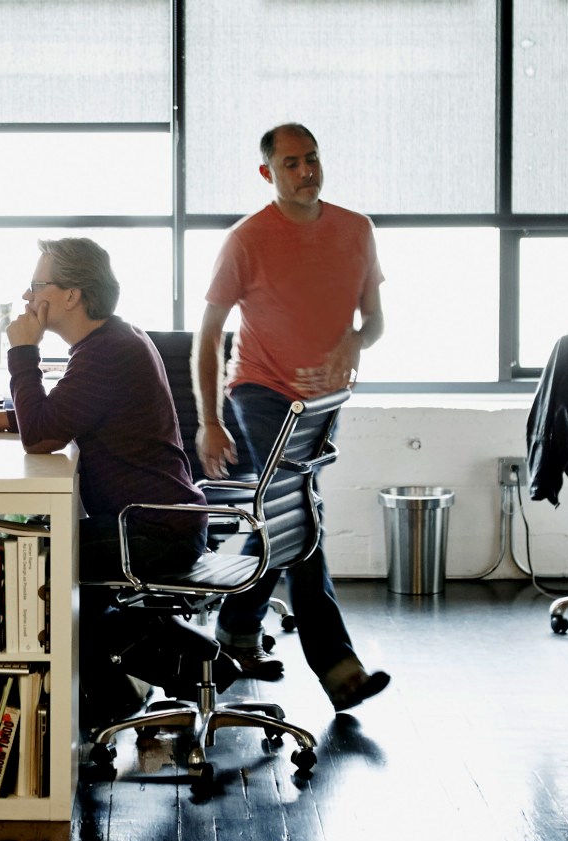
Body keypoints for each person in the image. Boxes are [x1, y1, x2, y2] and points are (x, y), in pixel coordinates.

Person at [0, 238, 216, 727]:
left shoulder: (105, 352)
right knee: (46, 559)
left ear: (70, 295)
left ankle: (107, 700)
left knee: (26, 561)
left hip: (151, 530)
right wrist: (4, 418)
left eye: (37, 286)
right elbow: (64, 414)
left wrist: (23, 350)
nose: (28, 299)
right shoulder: (109, 340)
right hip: (158, 520)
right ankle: (121, 690)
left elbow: (44, 436)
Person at [191, 122, 389, 712]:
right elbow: (207, 337)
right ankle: (337, 666)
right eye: (292, 164)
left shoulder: (357, 230)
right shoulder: (247, 240)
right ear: (268, 173)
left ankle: (235, 626)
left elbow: (374, 321)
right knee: (298, 513)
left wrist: (356, 342)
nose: (307, 172)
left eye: (313, 160)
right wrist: (209, 420)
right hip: (260, 391)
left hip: (324, 400)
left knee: (279, 519)